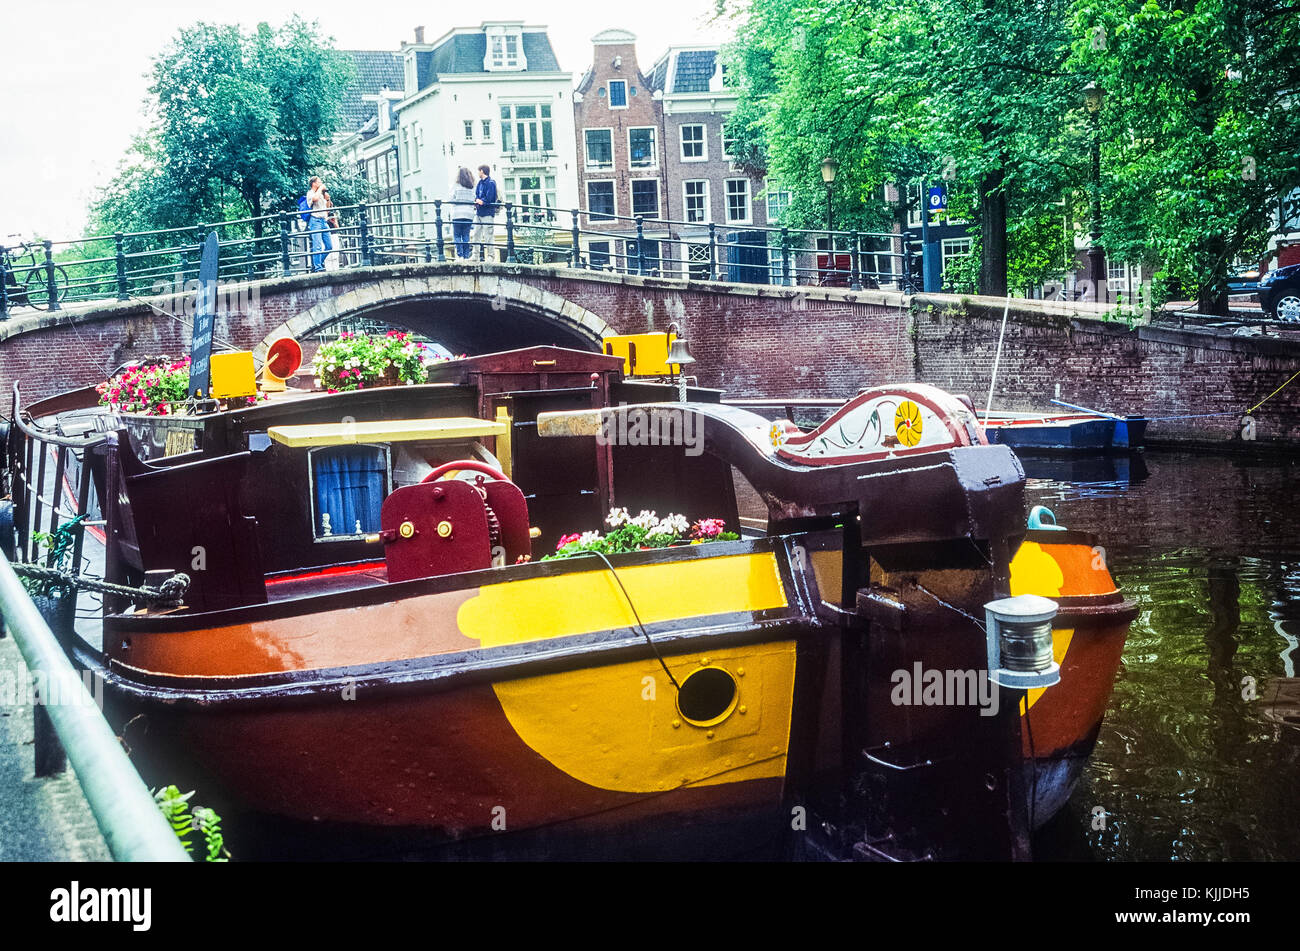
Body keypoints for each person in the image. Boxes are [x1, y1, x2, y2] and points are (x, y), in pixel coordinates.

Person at [305, 177, 332, 272]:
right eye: (319, 182)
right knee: (317, 245)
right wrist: (320, 189)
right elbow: (315, 199)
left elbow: (327, 210)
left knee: (329, 246)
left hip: (323, 221)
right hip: (315, 221)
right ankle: (318, 268)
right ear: (314, 183)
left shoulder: (321, 194)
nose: (321, 183)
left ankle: (317, 263)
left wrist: (328, 200)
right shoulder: (310, 193)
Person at [448, 167, 477, 259]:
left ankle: (460, 255)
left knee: (456, 235)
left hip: (457, 213)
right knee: (466, 235)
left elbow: (451, 199)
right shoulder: (472, 186)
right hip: (468, 214)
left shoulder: (456, 185)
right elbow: (474, 199)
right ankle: (466, 255)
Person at [473, 164, 498, 261]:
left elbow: (490, 197)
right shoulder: (479, 183)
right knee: (476, 234)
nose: (478, 173)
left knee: (488, 235)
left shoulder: (491, 183)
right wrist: (476, 200)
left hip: (487, 212)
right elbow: (476, 194)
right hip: (479, 212)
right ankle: (475, 255)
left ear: (482, 171)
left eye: (478, 171)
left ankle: (490, 256)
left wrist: (481, 201)